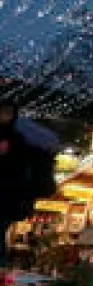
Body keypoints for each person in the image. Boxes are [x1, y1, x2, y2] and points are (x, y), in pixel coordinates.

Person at [0, 99, 40, 268]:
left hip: (6, 196)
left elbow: (20, 170)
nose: (5, 116)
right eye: (4, 112)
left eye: (9, 113)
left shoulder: (16, 139)